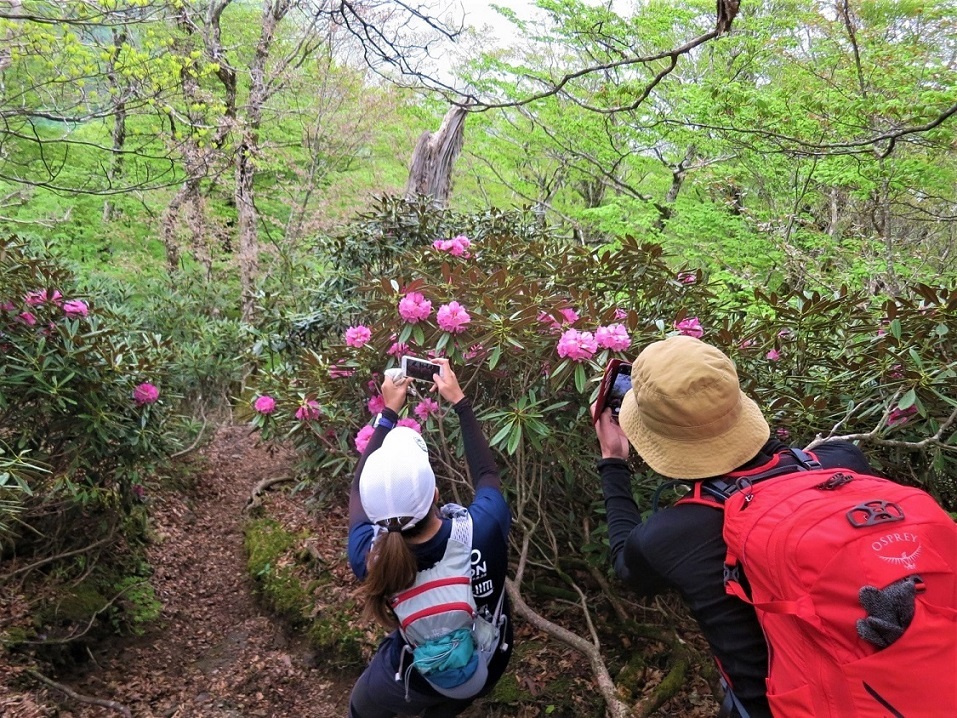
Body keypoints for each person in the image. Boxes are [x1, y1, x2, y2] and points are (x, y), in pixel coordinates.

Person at [592, 335, 874, 718]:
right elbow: (774, 463)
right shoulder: (842, 461)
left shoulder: (671, 535)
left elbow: (624, 563)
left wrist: (613, 461)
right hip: (896, 687)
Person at [347, 358, 513, 718]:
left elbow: (357, 488)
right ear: (436, 494)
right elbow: (487, 475)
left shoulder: (368, 557)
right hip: (492, 657)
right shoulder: (481, 529)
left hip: (417, 676)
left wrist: (387, 412)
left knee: (361, 707)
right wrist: (460, 402)